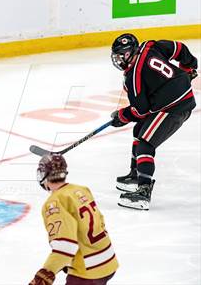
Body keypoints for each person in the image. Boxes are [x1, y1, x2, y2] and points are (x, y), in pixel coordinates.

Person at [110, 34, 198, 210]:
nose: (118, 59)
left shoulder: (133, 77)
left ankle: (143, 191)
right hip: (176, 99)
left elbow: (140, 110)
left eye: (121, 55)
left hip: (173, 108)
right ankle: (136, 174)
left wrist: (122, 116)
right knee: (139, 129)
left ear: (129, 54)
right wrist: (189, 67)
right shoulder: (151, 46)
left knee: (145, 144)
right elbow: (179, 48)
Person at [29, 154, 118, 285]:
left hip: (87, 271)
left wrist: (46, 273)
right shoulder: (81, 189)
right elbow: (100, 221)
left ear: (43, 175)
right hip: (108, 261)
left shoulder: (54, 203)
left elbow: (65, 247)